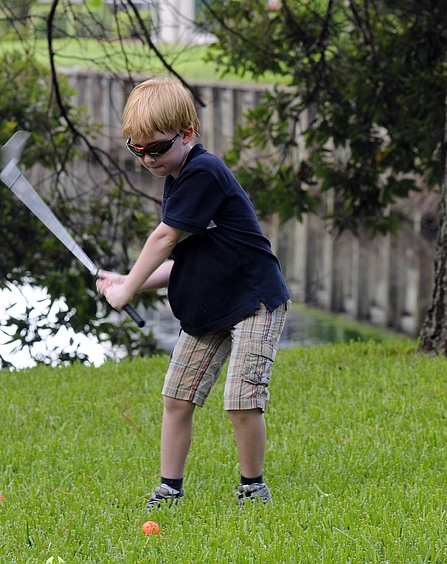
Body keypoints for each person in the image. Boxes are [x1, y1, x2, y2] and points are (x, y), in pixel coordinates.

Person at [96, 75, 291, 509]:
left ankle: (252, 488)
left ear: (187, 134)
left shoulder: (204, 171)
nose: (147, 158)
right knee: (176, 397)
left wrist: (127, 290)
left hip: (254, 301)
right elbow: (179, 260)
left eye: (157, 148)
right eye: (137, 148)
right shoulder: (177, 176)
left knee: (242, 400)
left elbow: (164, 239)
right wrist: (127, 279)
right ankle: (169, 489)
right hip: (211, 304)